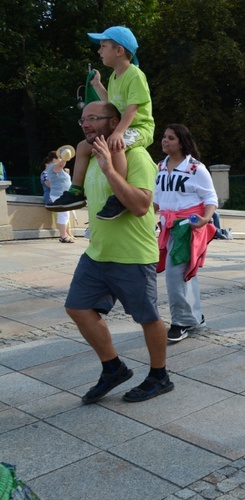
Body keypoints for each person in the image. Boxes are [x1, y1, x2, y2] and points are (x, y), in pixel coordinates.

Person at [65, 101, 172, 404]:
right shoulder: (88, 155)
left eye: (93, 119)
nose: (86, 125)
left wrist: (110, 170)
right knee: (77, 307)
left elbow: (139, 206)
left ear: (114, 123)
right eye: (82, 119)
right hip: (97, 253)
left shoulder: (137, 156)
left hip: (132, 255)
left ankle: (159, 376)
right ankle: (113, 368)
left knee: (147, 318)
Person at [47, 27, 154, 222]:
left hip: (139, 128)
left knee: (115, 145)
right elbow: (111, 105)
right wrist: (97, 85)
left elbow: (133, 108)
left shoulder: (135, 74)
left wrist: (118, 132)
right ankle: (76, 192)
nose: (99, 51)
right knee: (82, 146)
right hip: (122, 127)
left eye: (103, 46)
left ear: (119, 50)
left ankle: (119, 197)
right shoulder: (114, 77)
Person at [153, 124, 218, 342]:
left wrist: (205, 219)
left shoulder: (195, 169)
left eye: (170, 138)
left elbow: (211, 198)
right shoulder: (160, 167)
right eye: (164, 137)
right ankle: (195, 317)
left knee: (174, 275)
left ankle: (180, 322)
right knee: (184, 275)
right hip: (166, 227)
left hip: (186, 229)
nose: (165, 141)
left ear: (181, 142)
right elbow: (155, 200)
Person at [43, 151, 76, 243]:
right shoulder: (53, 167)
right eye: (59, 158)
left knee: (65, 215)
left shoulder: (52, 167)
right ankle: (63, 236)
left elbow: (61, 165)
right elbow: (61, 164)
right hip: (59, 195)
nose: (61, 159)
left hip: (60, 194)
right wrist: (65, 157)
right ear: (54, 159)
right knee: (63, 215)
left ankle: (64, 235)